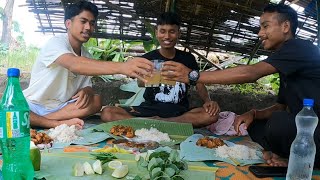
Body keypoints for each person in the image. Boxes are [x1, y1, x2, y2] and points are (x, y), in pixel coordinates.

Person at [160, 4, 320, 168]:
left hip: (315, 129)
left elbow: (251, 73)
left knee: (278, 122)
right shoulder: (287, 61)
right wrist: (253, 113)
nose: (260, 33)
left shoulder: (299, 48)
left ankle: (291, 157)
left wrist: (193, 75)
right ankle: (281, 153)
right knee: (253, 125)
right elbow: (281, 106)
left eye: (265, 26)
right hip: (305, 129)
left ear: (285, 26)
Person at [23, 0, 153, 129]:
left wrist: (87, 91)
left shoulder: (87, 56)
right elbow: (74, 64)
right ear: (68, 23)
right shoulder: (55, 43)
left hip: (60, 109)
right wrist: (123, 67)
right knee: (11, 108)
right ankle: (53, 123)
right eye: (83, 21)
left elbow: (87, 86)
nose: (88, 27)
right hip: (34, 105)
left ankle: (39, 120)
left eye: (92, 23)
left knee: (96, 101)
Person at [101, 12, 220, 127]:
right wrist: (148, 77)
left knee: (211, 115)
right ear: (156, 33)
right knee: (108, 112)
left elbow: (198, 83)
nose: (167, 36)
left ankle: (154, 123)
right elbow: (140, 83)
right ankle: (161, 123)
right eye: (162, 31)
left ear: (179, 33)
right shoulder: (147, 58)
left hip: (179, 112)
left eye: (172, 31)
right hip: (149, 110)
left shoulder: (188, 59)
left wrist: (207, 101)